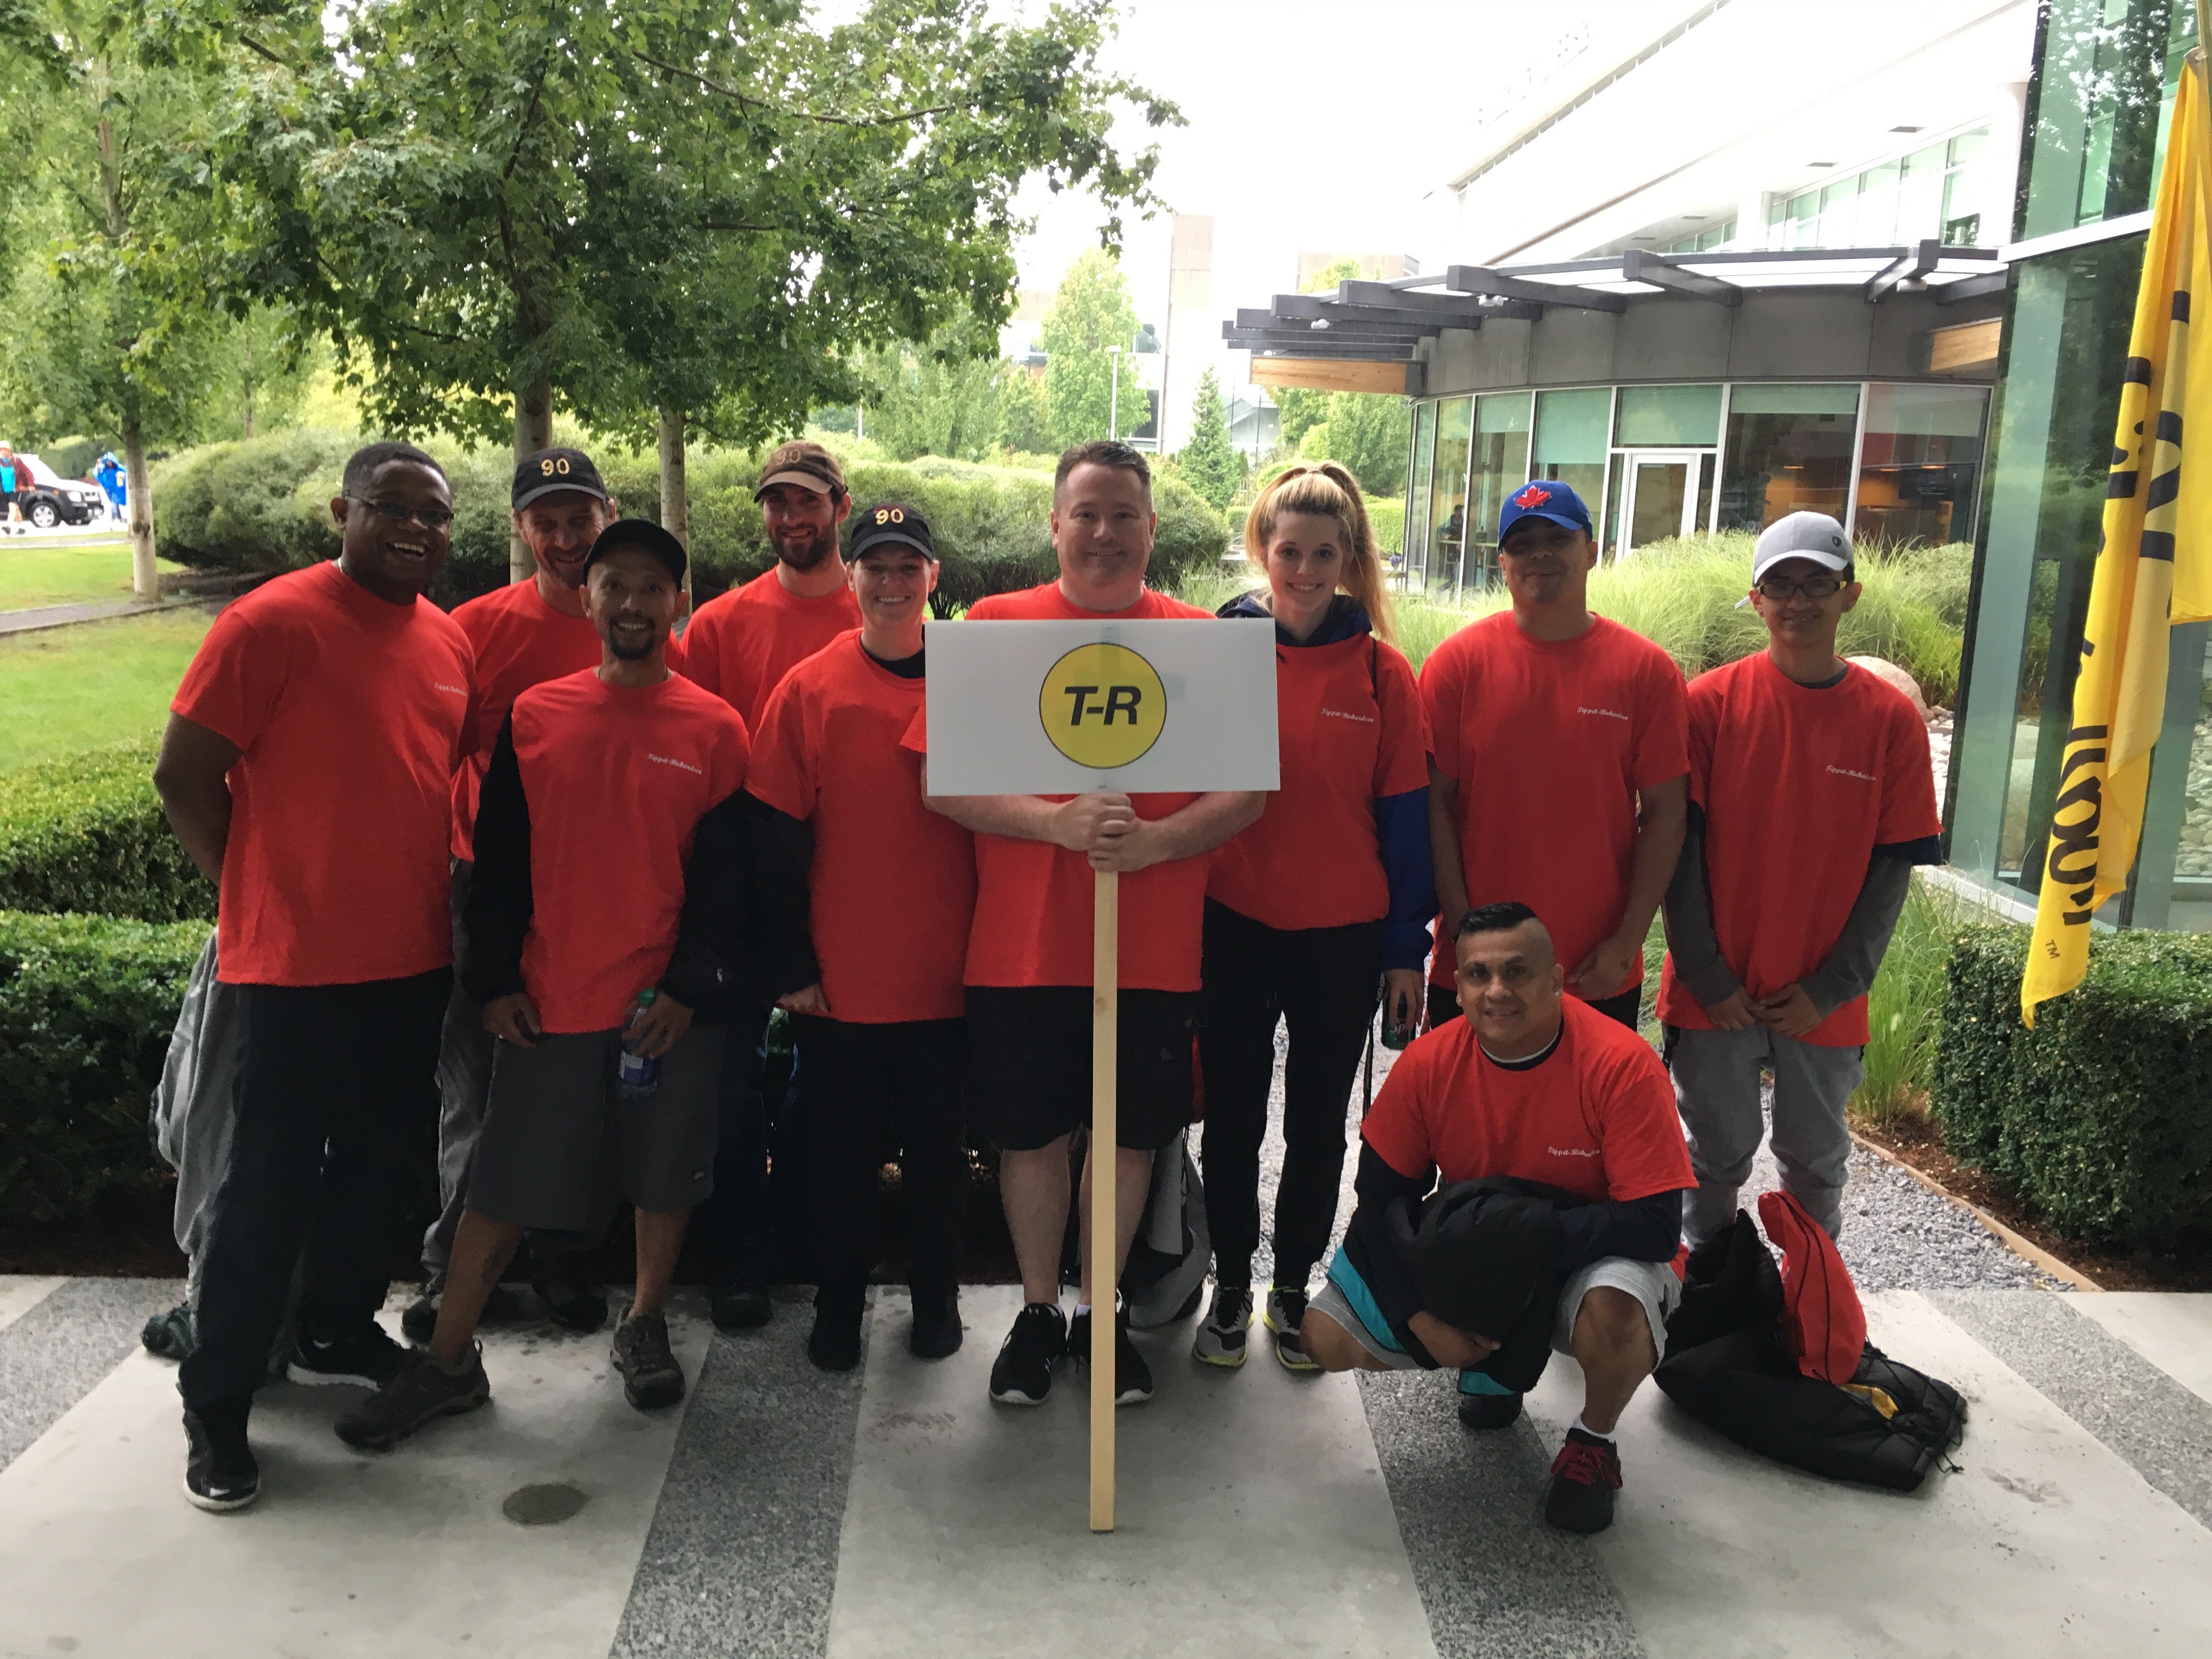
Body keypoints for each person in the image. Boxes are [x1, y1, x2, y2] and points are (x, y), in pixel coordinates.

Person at [336, 520, 751, 1451]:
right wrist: (491, 982)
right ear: (586, 596)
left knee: (662, 1175)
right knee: (504, 1180)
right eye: (616, 585)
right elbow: (500, 865)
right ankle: (447, 1358)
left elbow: (727, 883)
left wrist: (689, 987)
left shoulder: (717, 728)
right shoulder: (534, 714)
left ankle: (642, 1321)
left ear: (678, 601)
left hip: (664, 1013)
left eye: (653, 586)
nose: (634, 603)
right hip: (552, 1000)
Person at [155, 441, 472, 1513]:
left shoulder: (443, 640)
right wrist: (252, 892)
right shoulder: (269, 623)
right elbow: (183, 777)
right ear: (345, 510)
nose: (416, 529)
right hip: (294, 972)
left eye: (433, 515)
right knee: (268, 1191)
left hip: (411, 961)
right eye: (393, 509)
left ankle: (339, 1323)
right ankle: (220, 1400)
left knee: (382, 1169)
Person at [918, 440, 1265, 1408]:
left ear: (1151, 527)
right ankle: (1037, 1313)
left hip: (1150, 950)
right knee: (1027, 1136)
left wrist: (1156, 844)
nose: (1104, 532)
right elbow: (944, 782)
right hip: (1021, 947)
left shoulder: (1201, 641)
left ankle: (1101, 1309)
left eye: (1123, 514)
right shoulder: (994, 627)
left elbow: (1243, 795)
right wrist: (1053, 822)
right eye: (1086, 513)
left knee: (1125, 1139)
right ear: (1055, 523)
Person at [1302, 902, 1695, 1536]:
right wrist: (1420, 1318)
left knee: (1617, 1311)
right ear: (1456, 987)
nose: (1497, 991)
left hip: (1583, 1254)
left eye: (1517, 972)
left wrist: (1523, 1245)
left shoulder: (1622, 1065)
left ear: (1555, 980)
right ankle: (1487, 1364)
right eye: (1478, 975)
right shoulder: (1430, 1062)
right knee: (1322, 1337)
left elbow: (1654, 1225)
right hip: (1477, 1247)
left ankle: (1593, 1441)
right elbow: (1379, 1200)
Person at [1193, 462, 1432, 1372]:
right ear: (1263, 548)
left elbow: (1406, 820)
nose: (1301, 568)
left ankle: (1290, 1284)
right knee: (1232, 1119)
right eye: (1286, 550)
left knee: (1319, 1122)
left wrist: (1406, 948)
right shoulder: (1217, 648)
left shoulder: (1380, 671)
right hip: (1234, 921)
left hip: (1339, 935)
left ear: (1347, 559)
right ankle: (1227, 1281)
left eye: (1321, 553)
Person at [1659, 512, 1943, 1245]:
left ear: (1850, 594)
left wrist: (1831, 987)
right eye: (1780, 585)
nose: (1799, 601)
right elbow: (1675, 853)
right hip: (1714, 991)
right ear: (1755, 600)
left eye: (1819, 583)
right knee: (1712, 1159)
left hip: (1823, 997)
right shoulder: (1708, 706)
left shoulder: (1890, 722)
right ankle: (1708, 1304)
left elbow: (1891, 872)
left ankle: (1808, 1315)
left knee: (1816, 1164)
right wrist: (1709, 976)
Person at [746, 502, 977, 1372]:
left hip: (950, 974)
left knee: (938, 1157)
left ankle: (936, 1302)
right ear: (852, 577)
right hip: (839, 981)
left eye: (906, 566)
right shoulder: (810, 688)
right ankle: (838, 1304)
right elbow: (772, 840)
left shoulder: (969, 681)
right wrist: (790, 966)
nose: (889, 582)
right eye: (874, 566)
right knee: (838, 1158)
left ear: (933, 579)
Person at [404, 447, 628, 1344]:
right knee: (475, 1086)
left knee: (581, 1086)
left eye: (582, 517)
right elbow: (432, 758)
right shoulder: (475, 629)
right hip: (486, 887)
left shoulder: (639, 622)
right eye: (549, 520)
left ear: (610, 517)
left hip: (596, 895)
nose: (567, 537)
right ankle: (455, 1266)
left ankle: (565, 1255)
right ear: (520, 528)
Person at [682, 439, 863, 1330]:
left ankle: (802, 1232)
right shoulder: (718, 625)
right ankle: (740, 1257)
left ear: (838, 503)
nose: (791, 519)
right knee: (731, 1084)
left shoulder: (883, 609)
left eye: (807, 502)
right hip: (743, 889)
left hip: (848, 889)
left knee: (827, 1087)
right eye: (776, 503)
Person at [1421, 481, 1687, 1032]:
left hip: (1596, 965)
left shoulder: (1646, 671)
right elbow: (1435, 808)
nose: (1539, 552)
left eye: (1556, 538)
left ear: (1591, 551)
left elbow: (1666, 815)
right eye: (1522, 543)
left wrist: (1627, 941)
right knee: (1466, 1117)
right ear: (1501, 563)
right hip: (1475, 966)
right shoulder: (1455, 667)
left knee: (1583, 1118)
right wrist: (1464, 932)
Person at [97, 450, 127, 522]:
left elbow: (126, 473)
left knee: (114, 503)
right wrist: (98, 464)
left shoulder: (119, 468)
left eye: (110, 461)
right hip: (110, 489)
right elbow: (99, 473)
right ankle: (119, 518)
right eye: (107, 462)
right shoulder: (105, 469)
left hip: (118, 488)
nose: (109, 463)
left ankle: (113, 519)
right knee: (114, 503)